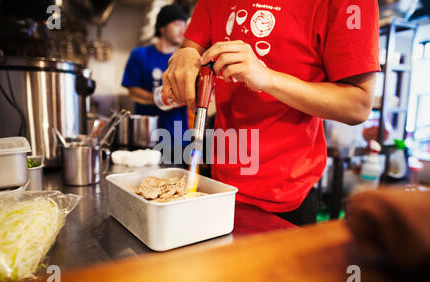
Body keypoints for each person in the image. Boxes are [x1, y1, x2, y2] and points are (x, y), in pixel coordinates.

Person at [161, 0, 380, 225]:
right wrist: (184, 55)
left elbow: (358, 104)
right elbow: (190, 49)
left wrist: (267, 78)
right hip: (220, 185)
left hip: (287, 195)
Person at [121, 4, 189, 159]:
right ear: (162, 28)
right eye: (177, 24)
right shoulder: (140, 55)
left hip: (179, 139)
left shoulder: (182, 59)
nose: (183, 30)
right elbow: (133, 92)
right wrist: (161, 99)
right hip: (147, 139)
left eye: (185, 25)